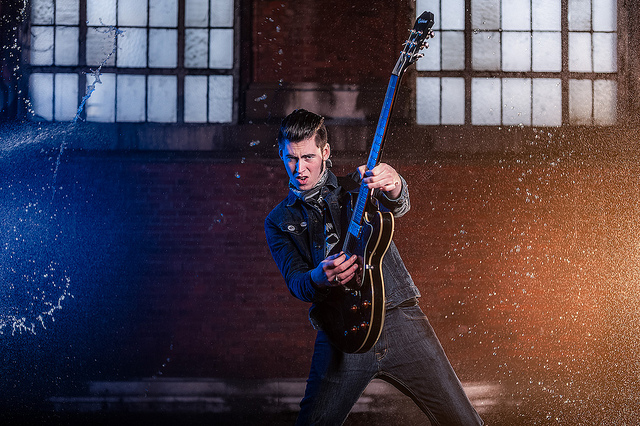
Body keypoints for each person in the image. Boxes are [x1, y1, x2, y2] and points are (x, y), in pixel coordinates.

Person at [265, 109, 483, 425]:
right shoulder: (278, 220)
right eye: (291, 158)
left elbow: (397, 205)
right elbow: (296, 281)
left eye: (309, 157)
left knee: (463, 421)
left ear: (325, 153)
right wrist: (318, 277)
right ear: (282, 155)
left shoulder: (357, 188)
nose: (300, 168)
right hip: (341, 333)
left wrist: (394, 183)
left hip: (399, 320)